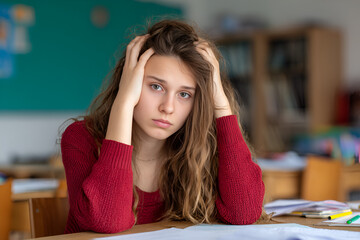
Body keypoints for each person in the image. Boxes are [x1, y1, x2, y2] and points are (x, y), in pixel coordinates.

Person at [61, 19, 265, 234]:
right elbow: (107, 222)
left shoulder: (198, 146)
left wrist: (221, 104)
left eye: (184, 94)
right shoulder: (81, 137)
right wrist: (123, 104)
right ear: (130, 82)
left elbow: (245, 212)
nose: (168, 107)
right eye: (156, 87)